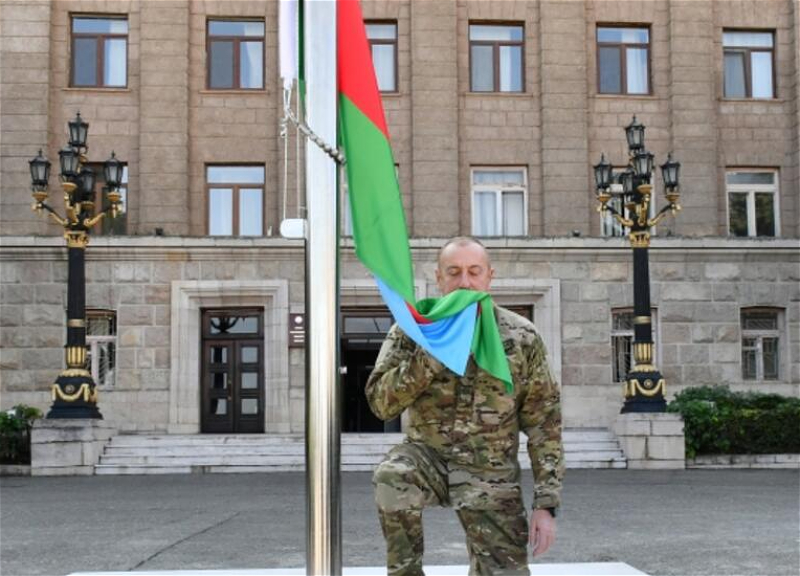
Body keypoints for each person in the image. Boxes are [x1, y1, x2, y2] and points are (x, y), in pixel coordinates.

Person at [366, 236, 564, 576]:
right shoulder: (412, 330)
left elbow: (544, 423)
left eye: (474, 272)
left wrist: (546, 504)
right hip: (427, 458)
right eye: (454, 272)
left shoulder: (521, 336)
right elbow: (381, 404)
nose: (465, 282)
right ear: (439, 278)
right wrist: (432, 353)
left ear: (489, 276)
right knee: (392, 475)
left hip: (490, 472)